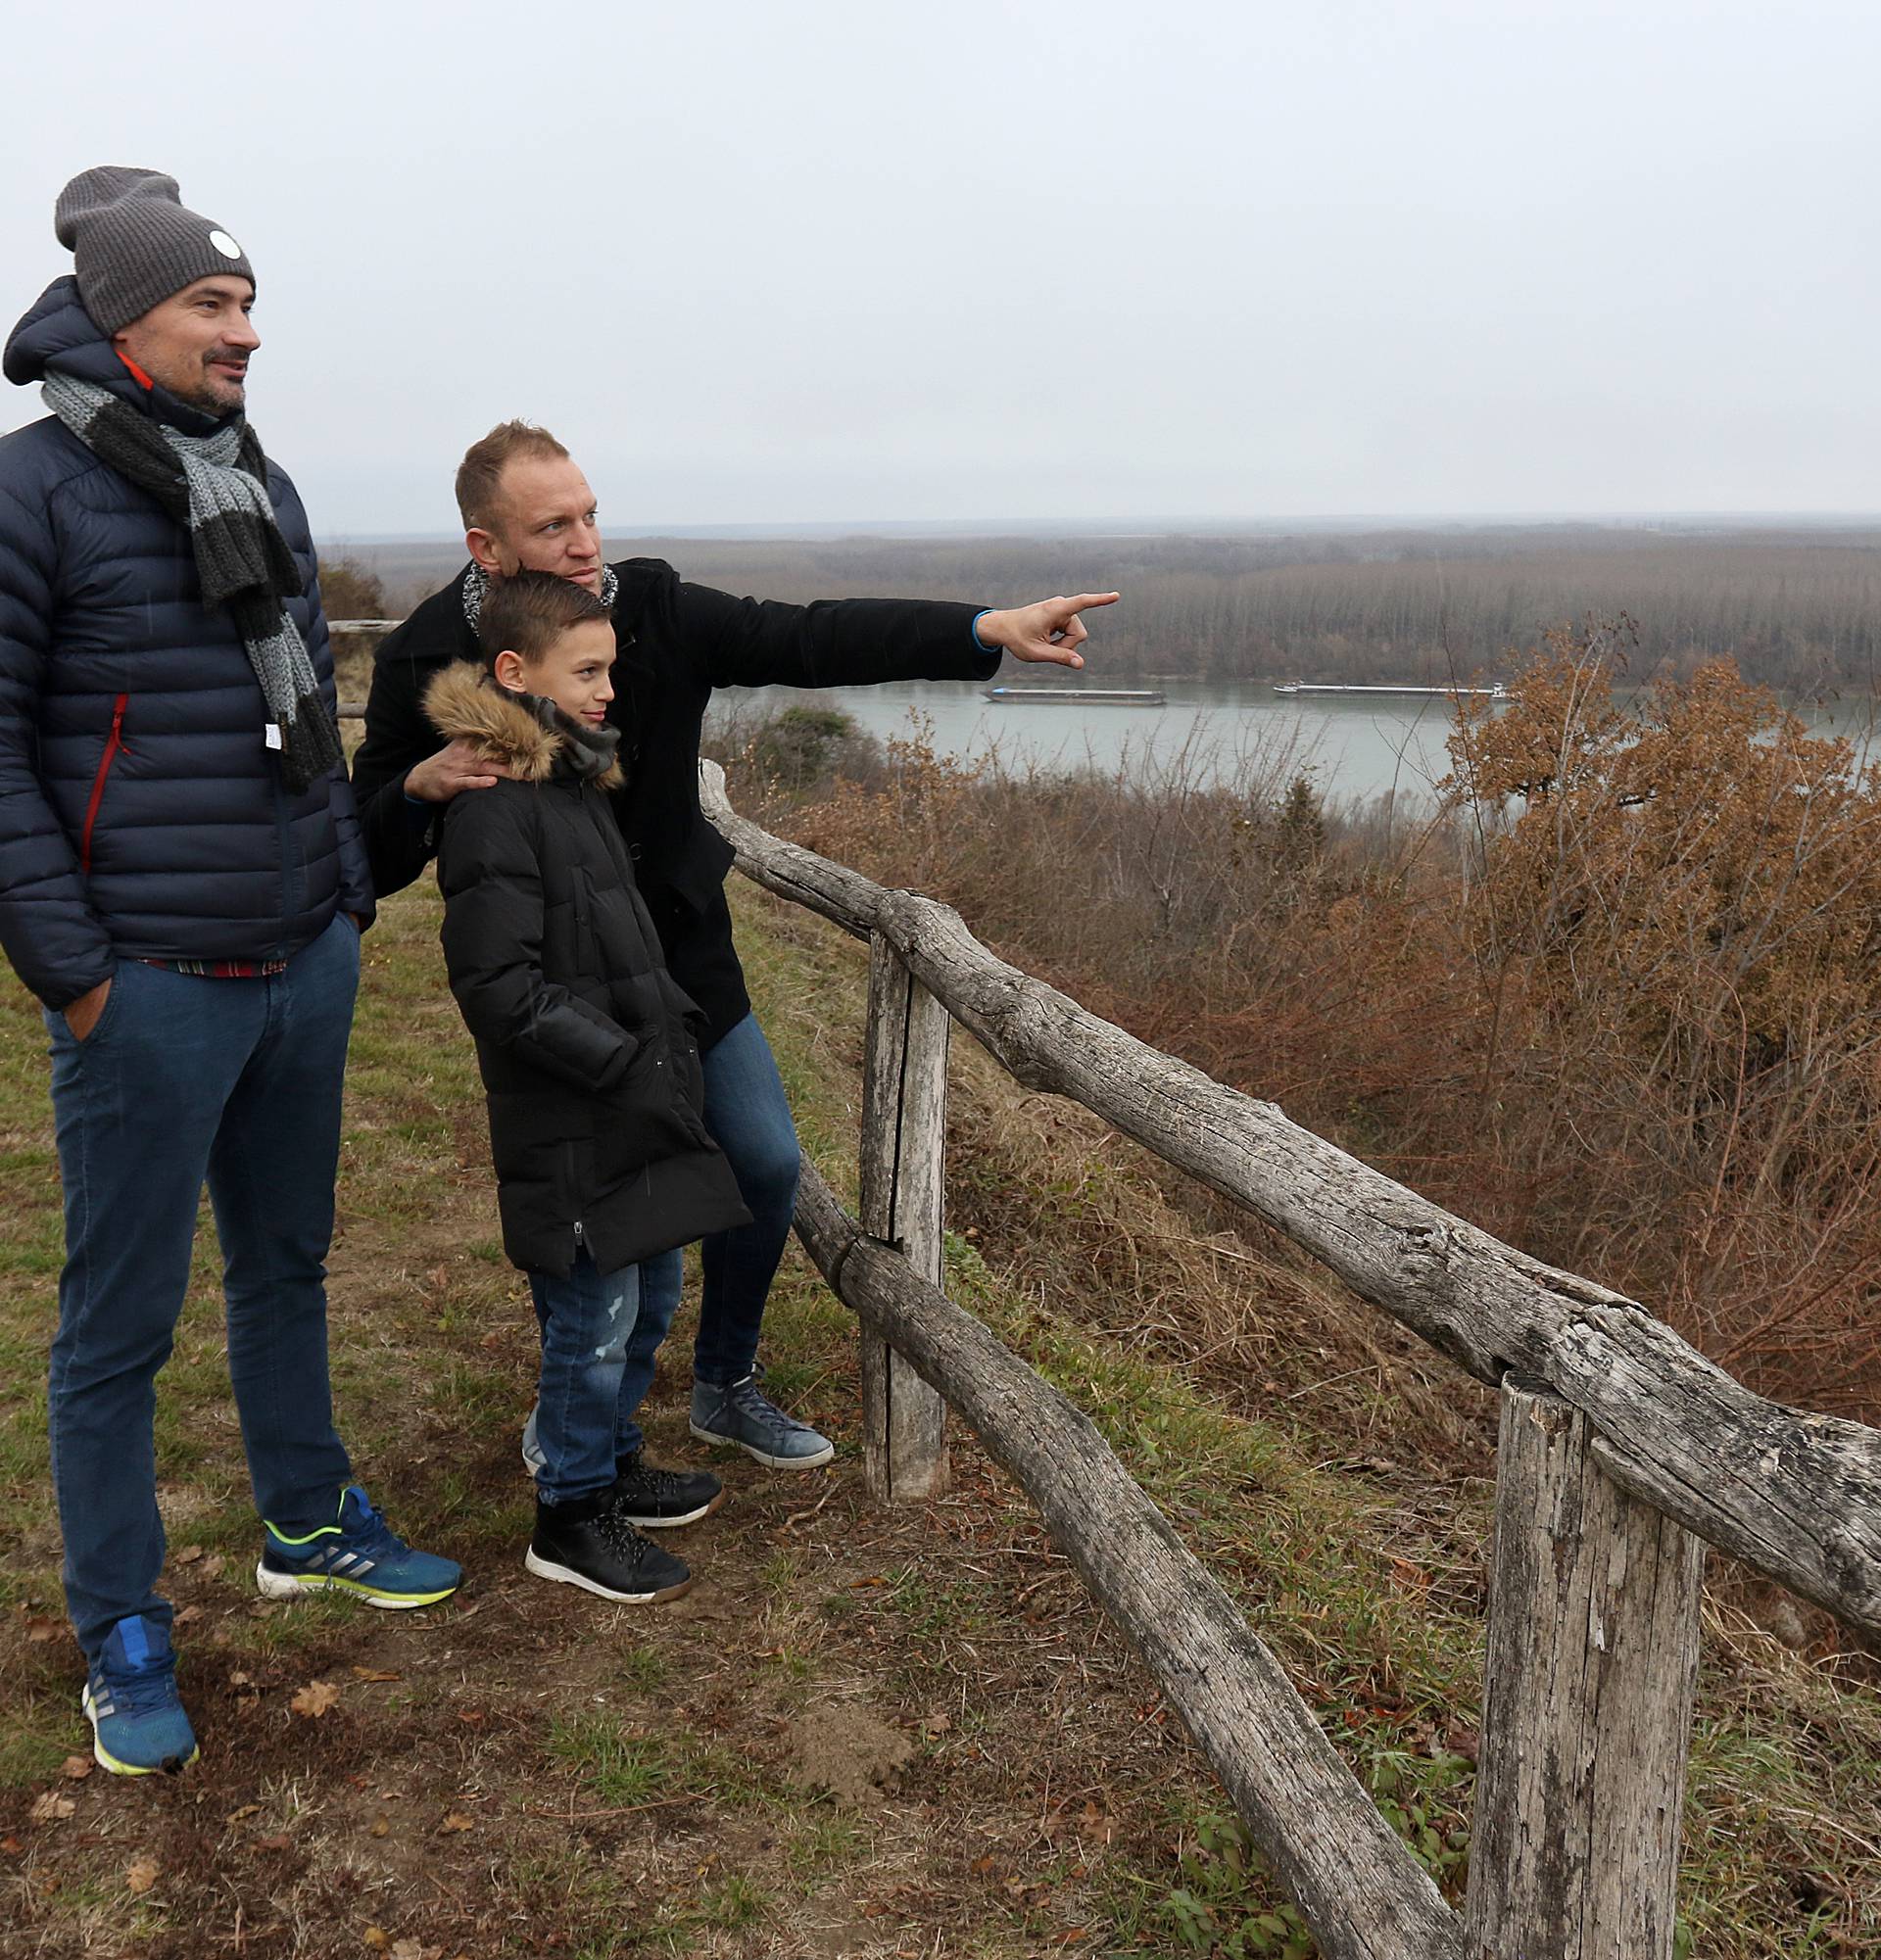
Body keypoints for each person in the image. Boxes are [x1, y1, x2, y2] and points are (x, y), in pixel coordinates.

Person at [351, 421, 1116, 1477]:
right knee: (591, 1211)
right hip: (552, 979)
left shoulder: (651, 608)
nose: (585, 543)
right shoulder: (425, 655)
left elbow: (809, 636)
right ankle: (585, 1428)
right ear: (486, 548)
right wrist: (417, 789)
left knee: (760, 1160)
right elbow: (369, 844)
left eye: (590, 515)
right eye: (554, 525)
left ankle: (725, 1383)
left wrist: (984, 628)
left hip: (680, 954)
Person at [0, 168, 459, 1778]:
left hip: (297, 956)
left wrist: (342, 902)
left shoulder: (250, 476)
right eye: (215, 304)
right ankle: (120, 1625)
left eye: (249, 305)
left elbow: (306, 713)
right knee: (116, 1326)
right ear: (125, 315)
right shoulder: (31, 491)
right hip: (148, 981)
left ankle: (306, 1516)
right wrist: (75, 972)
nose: (245, 332)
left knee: (286, 1265)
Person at [429, 571, 753, 1601]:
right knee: (591, 1321)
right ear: (515, 673)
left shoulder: (575, 784)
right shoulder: (497, 809)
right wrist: (623, 1061)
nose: (610, 690)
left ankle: (611, 1463)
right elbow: (501, 988)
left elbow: (617, 939)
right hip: (573, 1118)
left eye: (611, 668)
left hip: (628, 1102)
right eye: (590, 671)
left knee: (650, 1283)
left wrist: (672, 1033)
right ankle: (569, 1515)